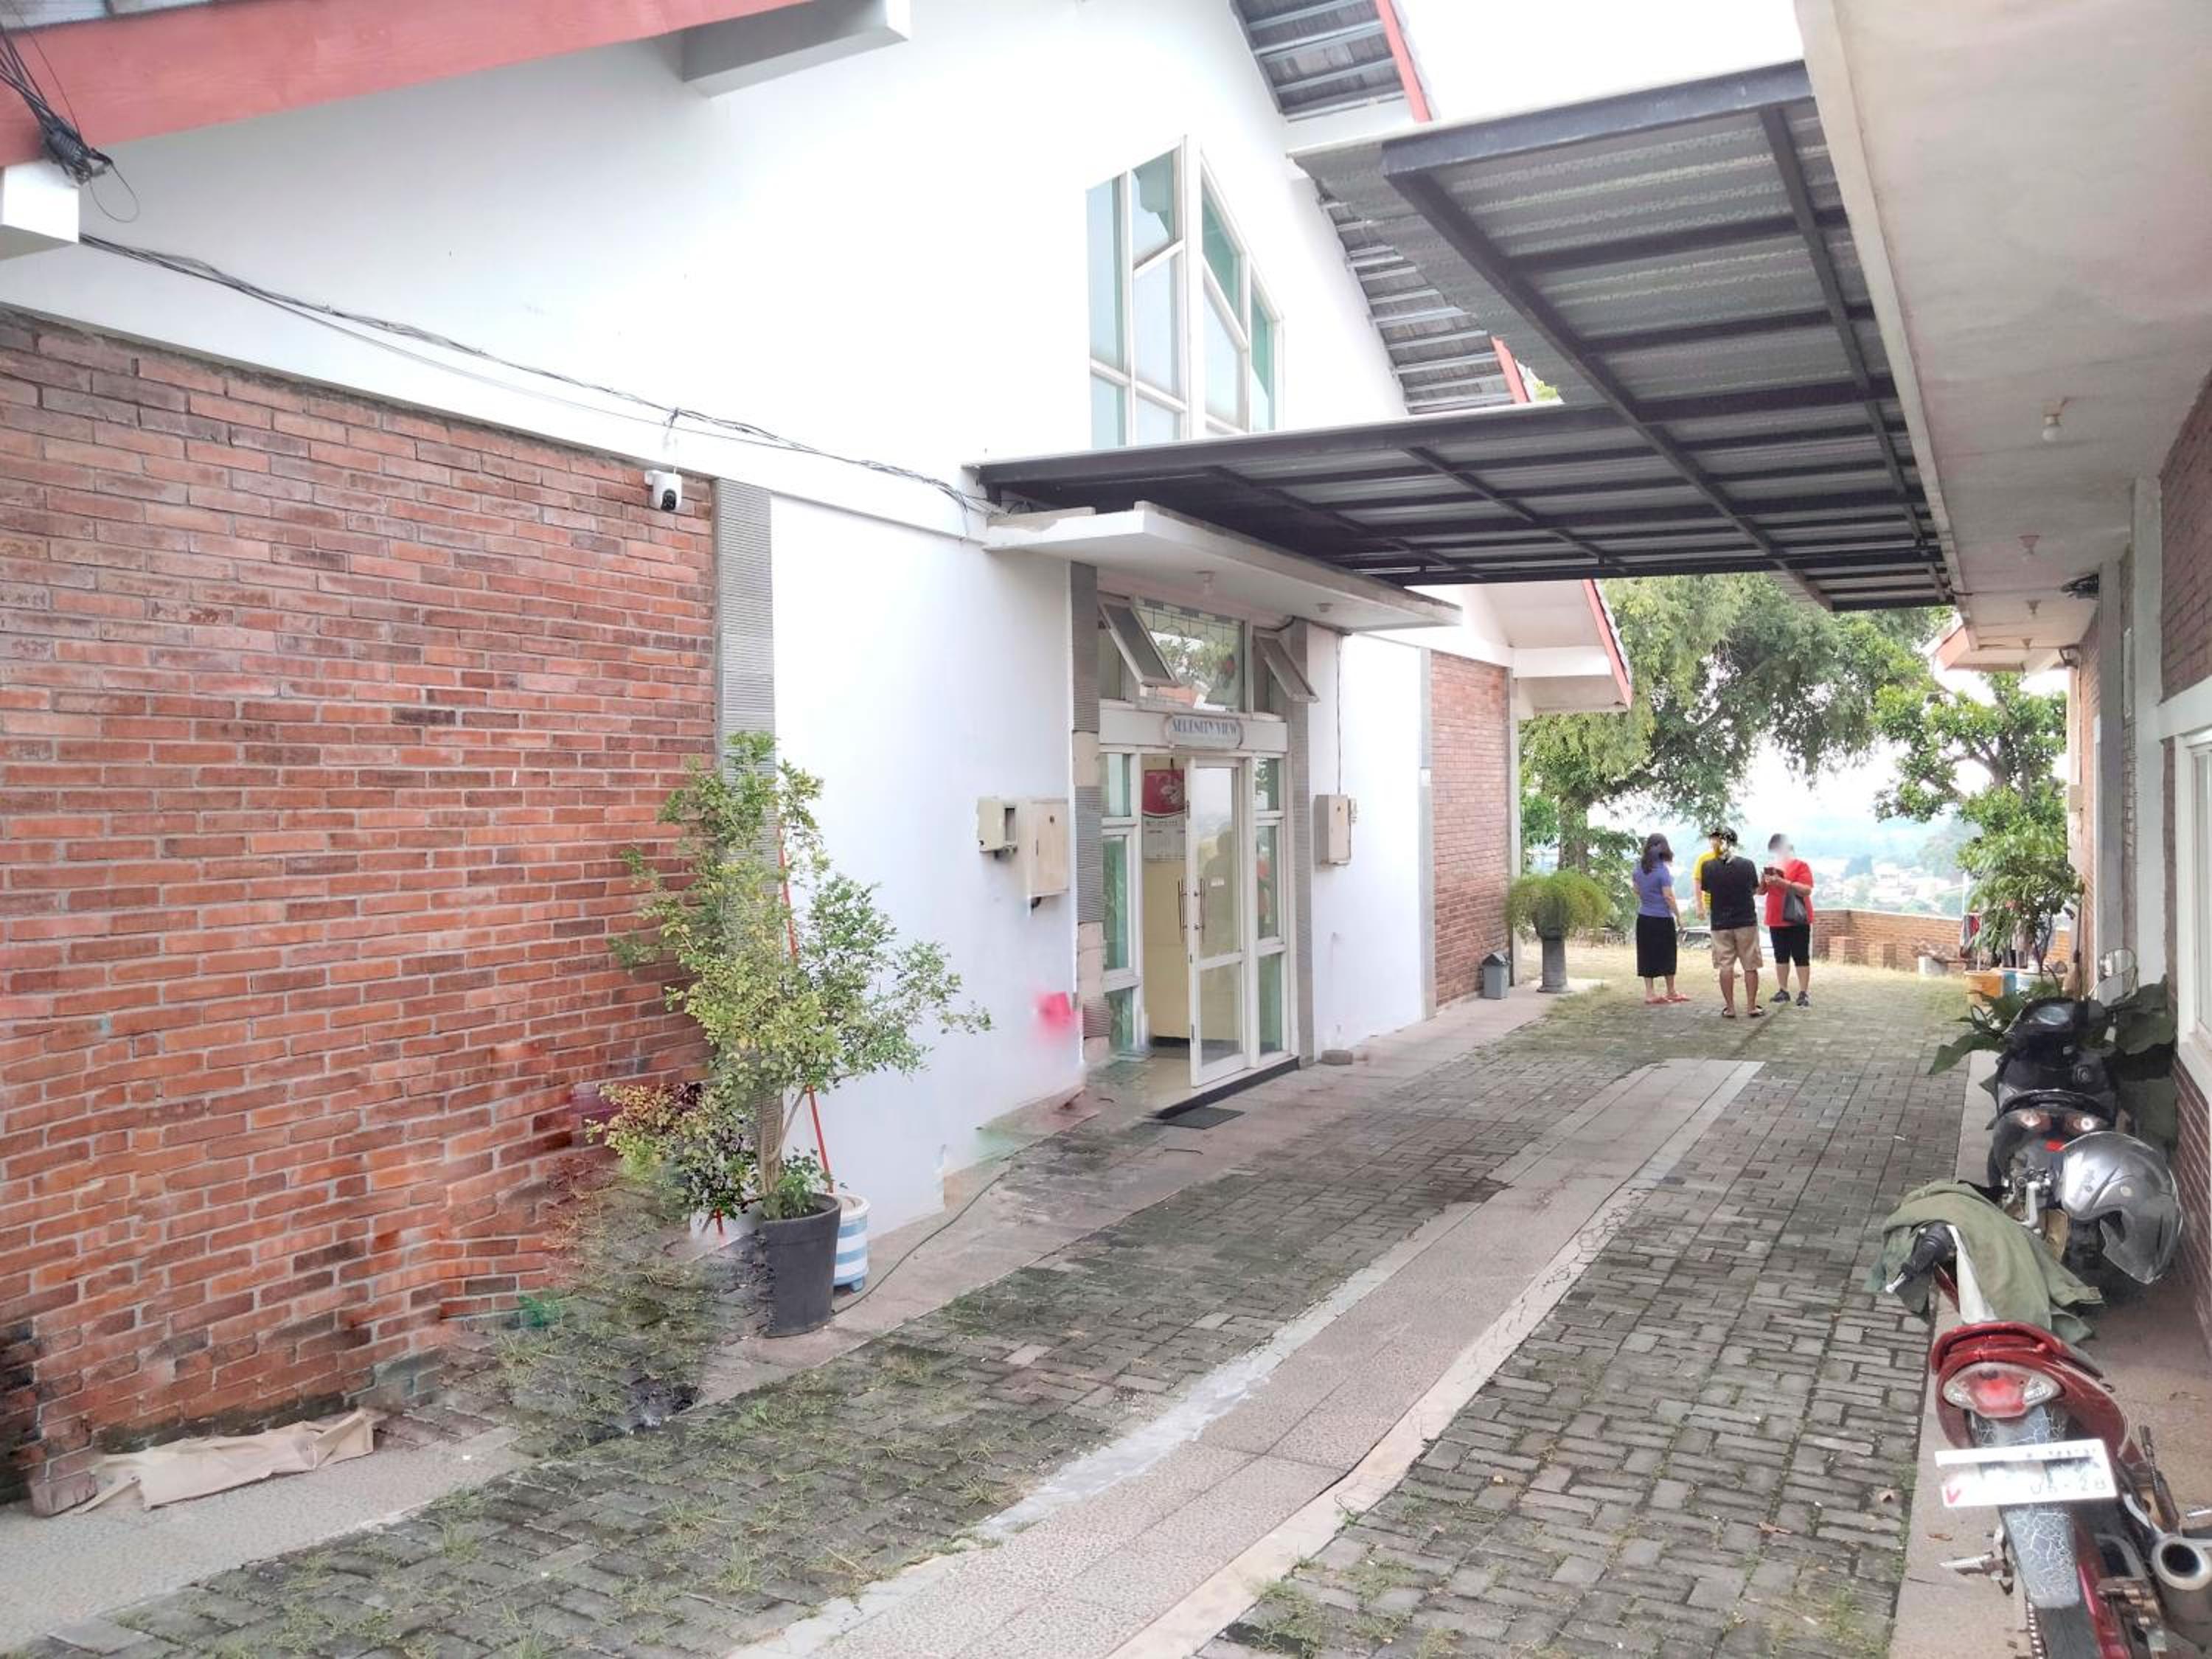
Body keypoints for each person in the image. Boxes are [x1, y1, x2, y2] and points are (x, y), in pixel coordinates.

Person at [1697, 826, 1764, 1018]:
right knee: (1750, 965)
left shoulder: (1708, 867)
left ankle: (1730, 1008)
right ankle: (1751, 1007)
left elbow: (1708, 889)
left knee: (1725, 966)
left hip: (1720, 922)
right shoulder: (1748, 865)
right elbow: (1754, 890)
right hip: (1746, 920)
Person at [1632, 833, 1688, 1005]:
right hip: (1662, 918)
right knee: (1668, 953)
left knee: (1646, 954)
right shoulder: (1662, 871)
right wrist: (1679, 916)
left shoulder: (1638, 868)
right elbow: (1668, 896)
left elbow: (1636, 890)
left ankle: (1650, 993)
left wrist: (1648, 897)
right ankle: (1671, 991)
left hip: (1644, 917)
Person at [1762, 832, 1816, 1008]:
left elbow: (1806, 890)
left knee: (1801, 956)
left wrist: (1782, 882)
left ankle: (1803, 992)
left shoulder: (1801, 866)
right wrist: (1764, 881)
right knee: (1781, 956)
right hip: (1775, 917)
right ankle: (1783, 990)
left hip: (1796, 917)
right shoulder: (1772, 866)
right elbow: (1760, 891)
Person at [1691, 827, 1728, 922]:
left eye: (1718, 838)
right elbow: (1697, 882)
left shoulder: (1729, 857)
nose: (1715, 841)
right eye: (1713, 838)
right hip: (1710, 904)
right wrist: (1699, 906)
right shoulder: (1703, 859)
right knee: (1716, 930)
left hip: (1729, 903)